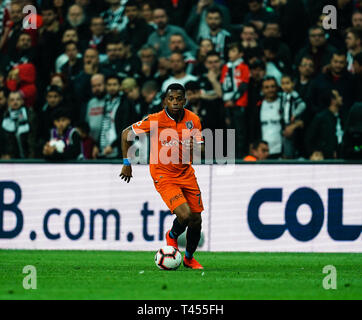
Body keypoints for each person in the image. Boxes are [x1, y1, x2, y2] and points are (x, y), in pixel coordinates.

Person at [120, 83, 204, 269]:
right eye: (171, 98)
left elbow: (201, 147)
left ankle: (189, 258)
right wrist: (127, 163)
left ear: (184, 100)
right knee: (185, 215)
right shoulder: (155, 119)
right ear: (165, 100)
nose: (175, 102)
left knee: (196, 220)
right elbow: (126, 133)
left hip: (186, 173)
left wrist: (196, 147)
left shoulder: (193, 120)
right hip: (163, 174)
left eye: (178, 99)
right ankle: (172, 236)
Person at [220, 42, 250, 158]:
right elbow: (223, 83)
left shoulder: (244, 67)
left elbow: (244, 85)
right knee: (229, 131)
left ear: (240, 54)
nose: (230, 54)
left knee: (240, 132)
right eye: (229, 51)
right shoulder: (226, 67)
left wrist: (234, 99)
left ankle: (240, 156)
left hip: (239, 103)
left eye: (233, 51)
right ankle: (230, 156)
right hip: (227, 103)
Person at [305, 89, 344, 159]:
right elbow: (310, 138)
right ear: (333, 101)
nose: (341, 98)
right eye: (339, 96)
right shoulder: (321, 118)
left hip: (341, 156)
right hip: (326, 158)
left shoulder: (343, 116)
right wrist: (314, 152)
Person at [1, 91, 37, 159]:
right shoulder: (4, 116)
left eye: (18, 99)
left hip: (29, 156)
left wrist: (32, 155)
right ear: (8, 102)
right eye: (12, 100)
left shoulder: (30, 114)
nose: (15, 102)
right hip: (11, 158)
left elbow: (34, 137)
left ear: (22, 101)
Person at [280, 74, 306, 158]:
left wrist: (295, 114)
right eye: (283, 83)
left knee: (293, 141)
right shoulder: (282, 95)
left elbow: (302, 105)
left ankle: (293, 156)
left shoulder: (294, 95)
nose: (285, 86)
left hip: (293, 123)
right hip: (285, 122)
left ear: (293, 84)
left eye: (287, 83)